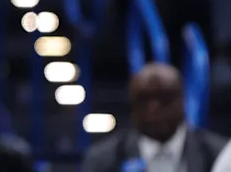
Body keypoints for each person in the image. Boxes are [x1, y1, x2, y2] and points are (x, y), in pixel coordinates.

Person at [81, 62, 227, 172]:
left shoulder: (220, 156)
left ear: (183, 101)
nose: (154, 109)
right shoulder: (102, 161)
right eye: (144, 99)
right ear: (132, 104)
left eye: (164, 98)